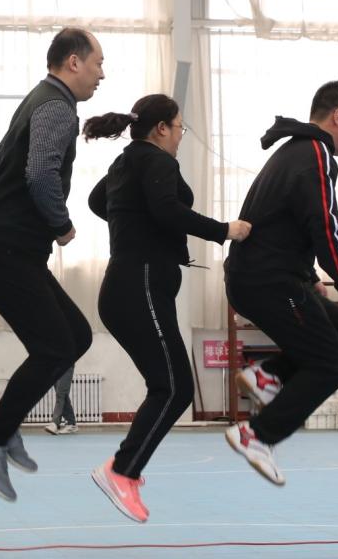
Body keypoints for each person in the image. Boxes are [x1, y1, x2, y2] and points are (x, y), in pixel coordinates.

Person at [84, 95, 251, 522]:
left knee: (169, 385)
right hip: (138, 285)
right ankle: (122, 470)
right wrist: (224, 230)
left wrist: (133, 224)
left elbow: (98, 202)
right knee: (174, 387)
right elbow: (167, 209)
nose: (180, 136)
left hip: (129, 287)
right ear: (161, 129)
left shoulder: (126, 161)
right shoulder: (157, 160)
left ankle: (124, 469)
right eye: (180, 128)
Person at [0, 27, 104, 502]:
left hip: (9, 249)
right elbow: (39, 172)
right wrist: (60, 224)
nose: (101, 74)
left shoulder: (37, 101)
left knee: (75, 337)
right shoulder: (57, 107)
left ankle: (2, 427)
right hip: (4, 251)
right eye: (98, 63)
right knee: (54, 347)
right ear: (73, 62)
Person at [224, 81, 338, 486]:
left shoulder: (296, 150)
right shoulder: (315, 154)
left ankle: (267, 376)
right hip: (269, 282)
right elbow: (325, 227)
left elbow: (289, 222)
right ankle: (257, 435)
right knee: (330, 366)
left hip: (262, 277)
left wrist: (309, 277)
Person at [43, 364, 77, 435]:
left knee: (61, 393)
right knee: (63, 395)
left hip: (66, 365)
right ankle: (71, 424)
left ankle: (55, 423)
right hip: (55, 366)